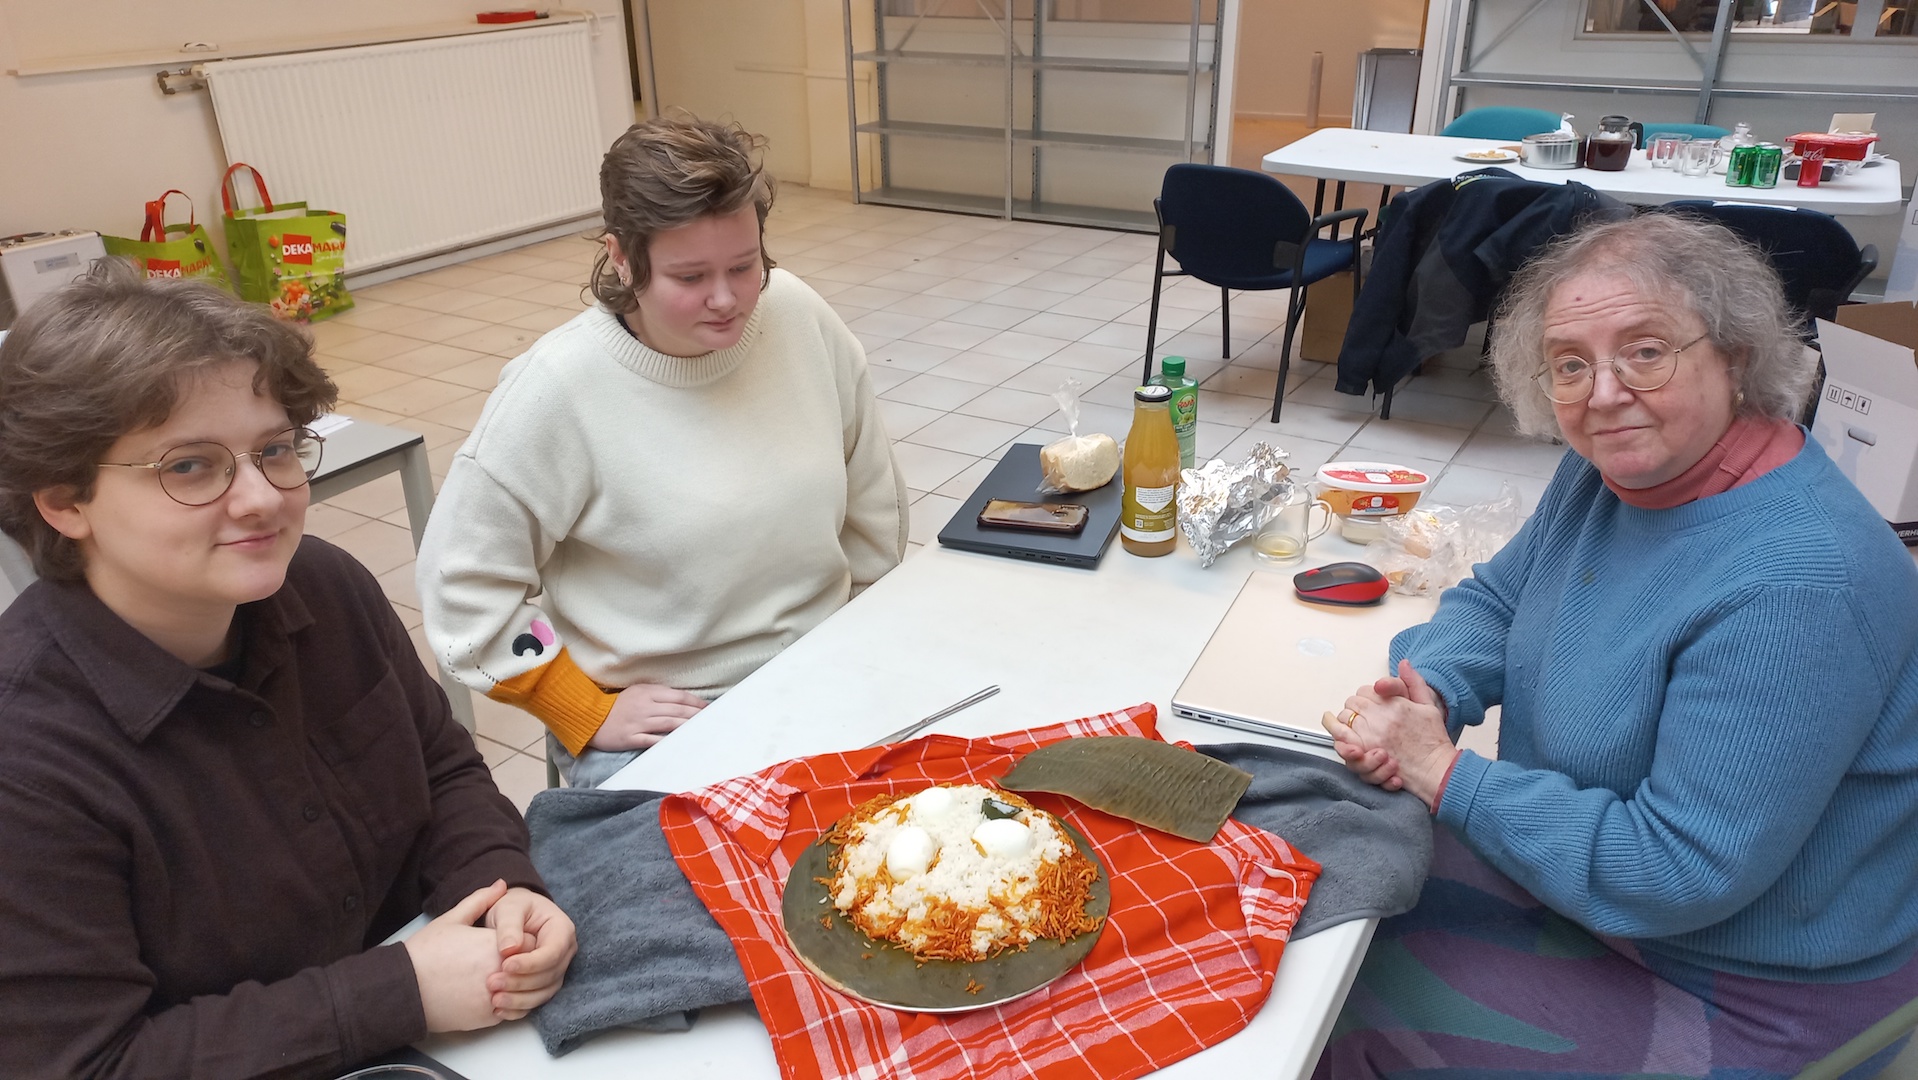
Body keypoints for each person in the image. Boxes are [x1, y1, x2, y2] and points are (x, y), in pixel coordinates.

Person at [1317, 212, 1918, 1079]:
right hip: (1598, 900)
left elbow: (1677, 868)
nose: (1602, 393)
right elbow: (1499, 598)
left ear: (1736, 355)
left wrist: (1446, 774)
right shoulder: (1616, 471)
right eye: (1571, 363)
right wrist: (1434, 690)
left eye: (1646, 351)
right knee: (1314, 881)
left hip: (1741, 983)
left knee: (1326, 1008)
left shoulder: (1798, 584)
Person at [0, 264, 577, 1079]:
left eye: (273, 450)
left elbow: (443, 771)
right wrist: (398, 992)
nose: (262, 499)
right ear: (64, 501)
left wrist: (500, 884)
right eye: (190, 466)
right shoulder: (26, 759)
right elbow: (89, 1063)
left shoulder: (324, 585)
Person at [417, 116, 907, 788]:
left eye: (745, 265)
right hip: (666, 718)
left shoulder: (797, 315)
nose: (726, 298)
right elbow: (461, 586)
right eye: (690, 276)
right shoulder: (556, 390)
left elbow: (872, 500)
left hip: (820, 667)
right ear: (622, 258)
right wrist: (581, 708)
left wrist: (860, 640)